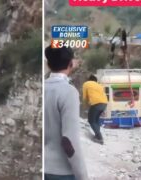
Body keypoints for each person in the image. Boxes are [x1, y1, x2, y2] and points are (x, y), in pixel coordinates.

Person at [44, 45, 88, 180]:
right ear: (70, 64)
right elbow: (69, 140)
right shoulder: (68, 92)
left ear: (48, 64)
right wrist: (82, 176)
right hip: (61, 172)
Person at [82, 75, 108, 145]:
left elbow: (85, 97)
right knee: (96, 120)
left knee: (91, 120)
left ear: (89, 79)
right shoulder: (99, 85)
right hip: (104, 103)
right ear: (95, 81)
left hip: (96, 103)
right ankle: (97, 135)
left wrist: (85, 107)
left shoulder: (86, 84)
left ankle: (99, 138)